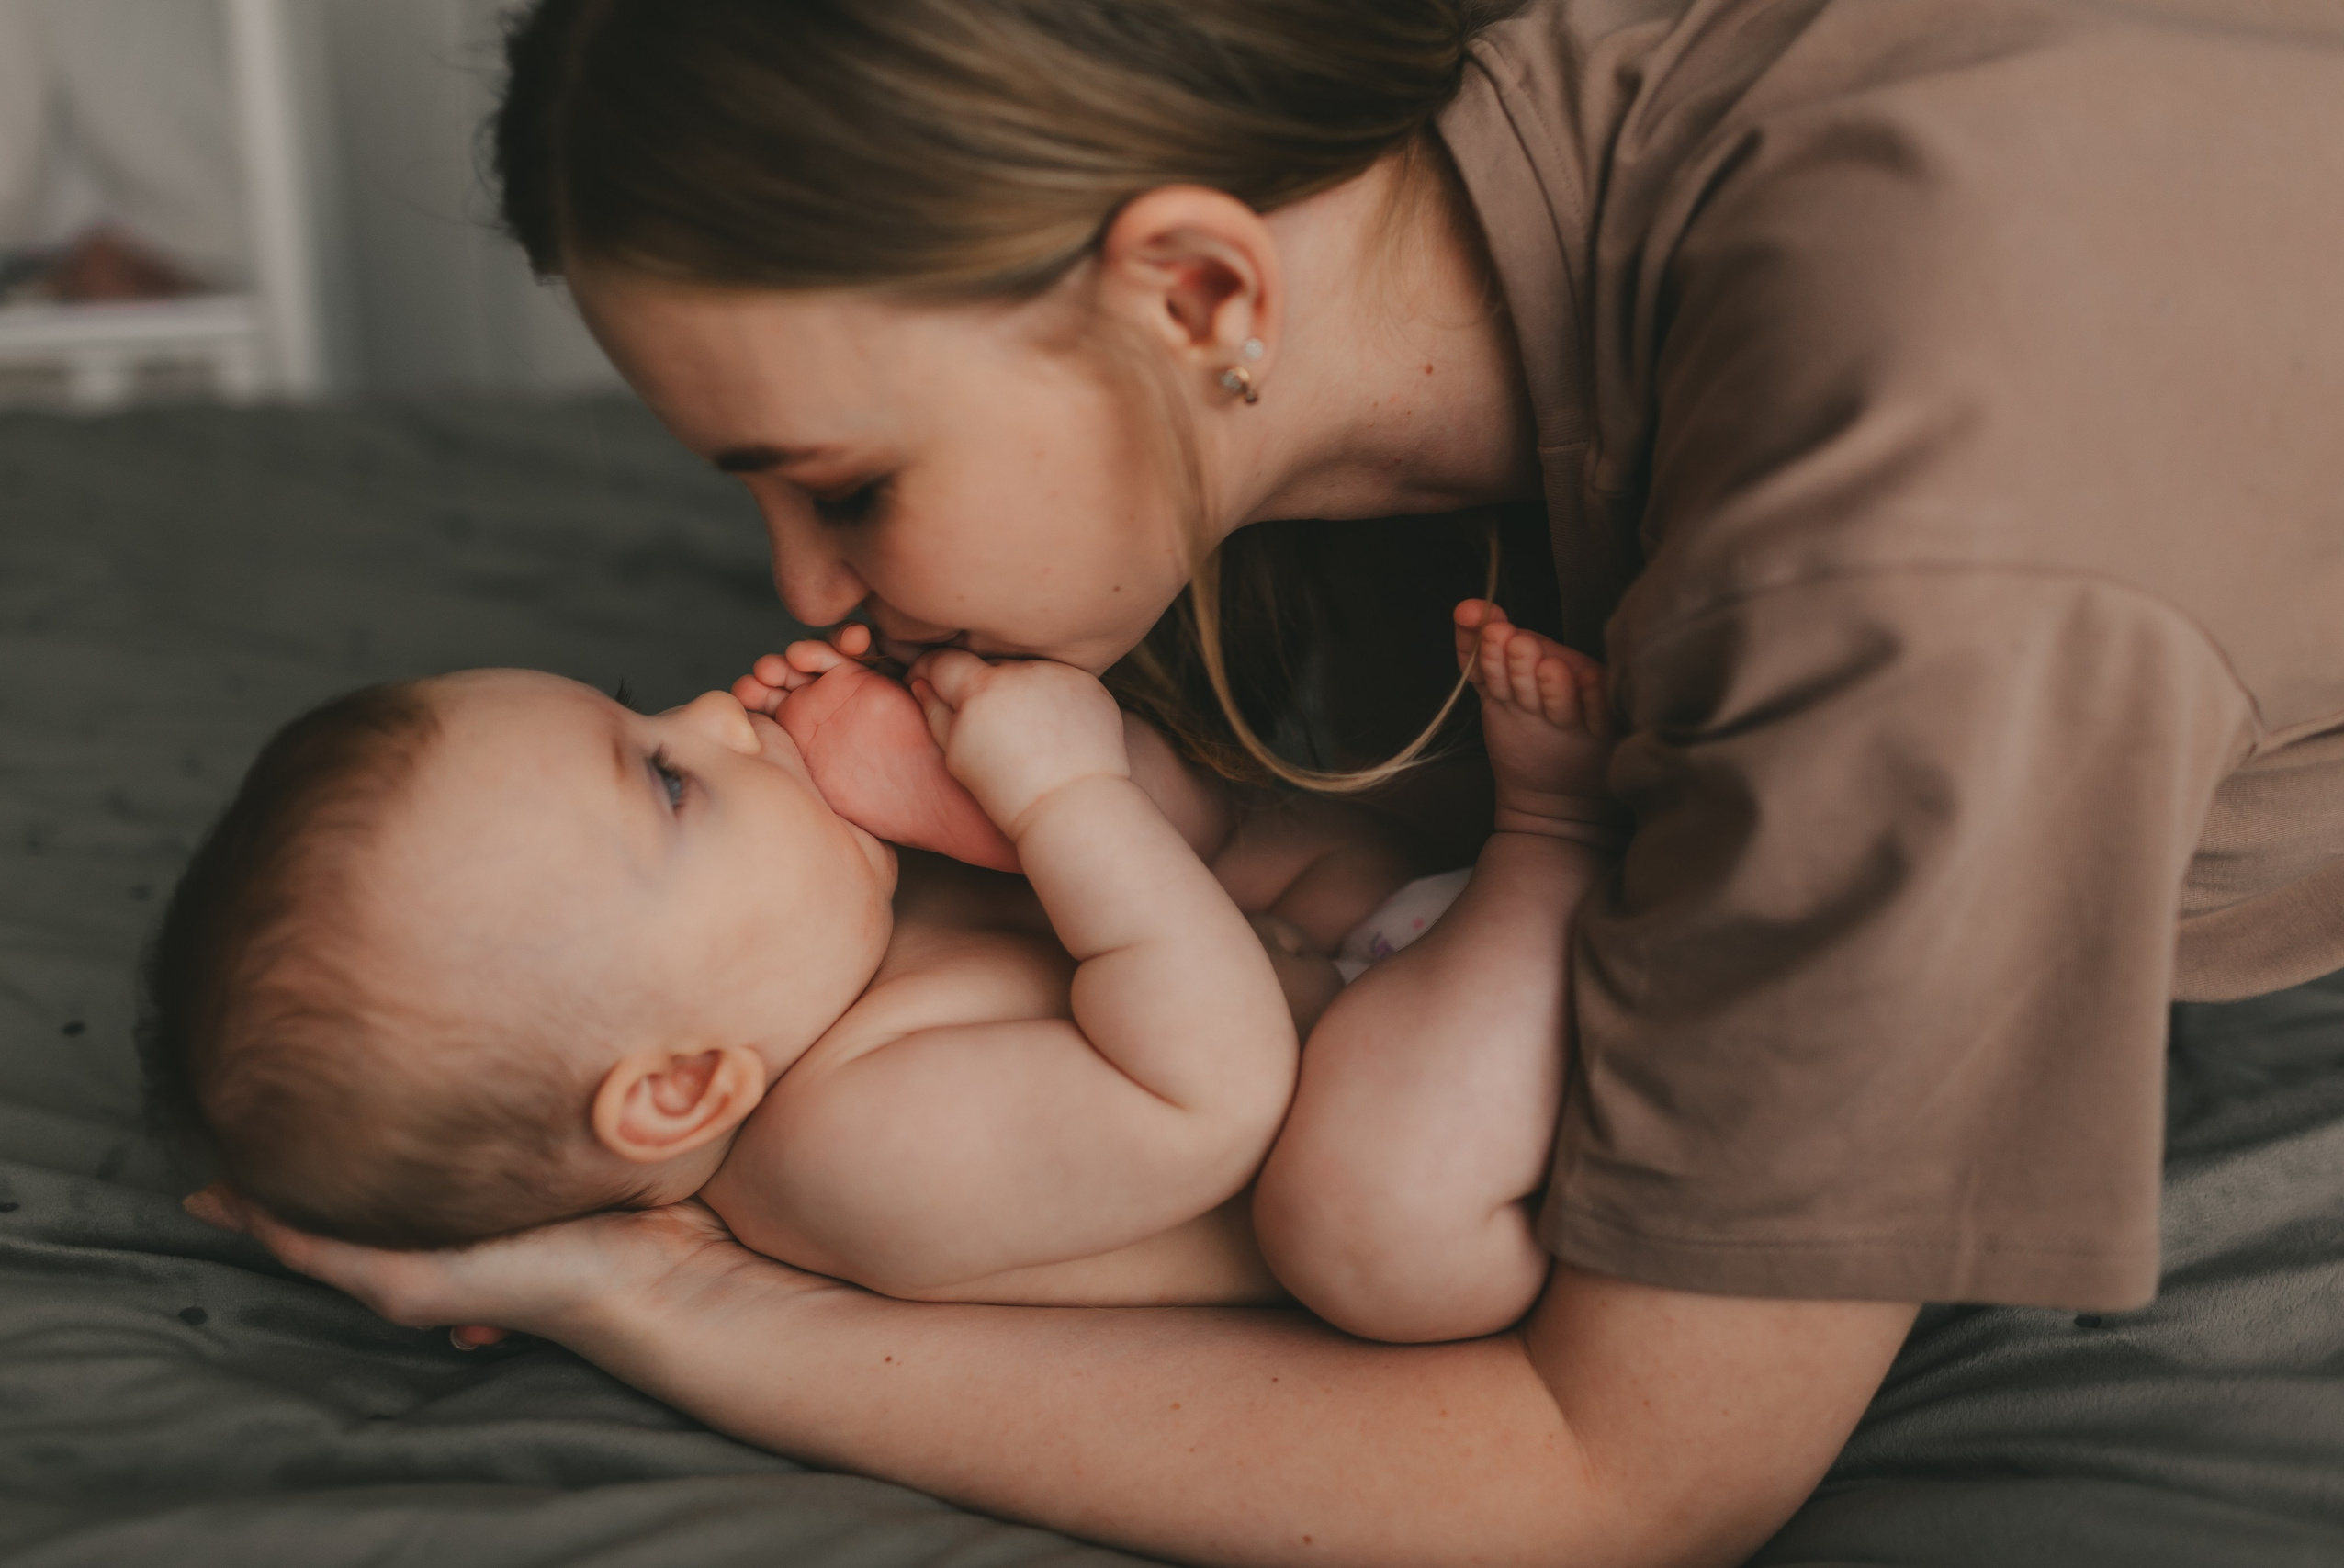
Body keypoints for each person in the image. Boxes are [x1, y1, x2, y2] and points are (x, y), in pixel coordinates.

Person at [185, 0, 2344, 1562]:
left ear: (1201, 285)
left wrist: (660, 1293)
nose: (794, 600)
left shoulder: (1910, 596)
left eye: (844, 482)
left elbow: (1620, 1479)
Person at [154, 605, 1617, 1337]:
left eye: (635, 709)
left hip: (1365, 963)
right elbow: (1216, 1083)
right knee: (1368, 1217)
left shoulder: (809, 961)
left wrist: (983, 775)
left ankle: (1505, 871)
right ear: (677, 1090)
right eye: (667, 781)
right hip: (1439, 1128)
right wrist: (1058, 809)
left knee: (1240, 846)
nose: (717, 709)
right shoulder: (850, 1155)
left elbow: (1177, 898)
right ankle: (1552, 839)